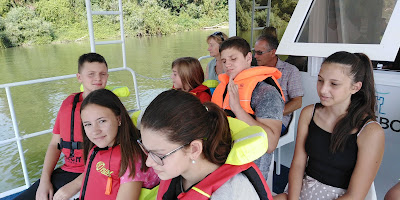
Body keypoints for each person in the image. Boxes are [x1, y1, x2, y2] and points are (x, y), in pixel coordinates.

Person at [274, 51, 385, 200]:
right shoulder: (309, 113)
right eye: (320, 80)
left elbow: (355, 195)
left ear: (355, 87)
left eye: (334, 84)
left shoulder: (370, 131)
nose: (323, 89)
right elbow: (299, 163)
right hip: (304, 190)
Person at [139, 89, 273, 200]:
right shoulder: (178, 173)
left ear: (194, 149)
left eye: (159, 154)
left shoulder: (231, 193)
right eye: (147, 150)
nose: (149, 162)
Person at [14, 52, 109, 200]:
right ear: (79, 77)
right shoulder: (69, 104)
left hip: (100, 171)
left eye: (103, 74)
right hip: (67, 170)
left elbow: (116, 155)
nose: (98, 78)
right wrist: (44, 181)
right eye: (91, 74)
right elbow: (55, 144)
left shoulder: (111, 107)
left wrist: (75, 185)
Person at [212, 36, 285, 180]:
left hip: (248, 169)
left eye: (233, 59)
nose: (228, 65)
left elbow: (270, 143)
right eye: (224, 61)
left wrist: (237, 109)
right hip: (220, 161)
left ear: (248, 57)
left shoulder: (266, 92)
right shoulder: (225, 87)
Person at [79, 89, 159, 200]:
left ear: (119, 119)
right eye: (88, 124)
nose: (95, 131)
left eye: (102, 121)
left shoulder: (132, 157)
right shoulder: (103, 147)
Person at [254, 34, 304, 134]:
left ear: (273, 52)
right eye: (254, 52)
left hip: (277, 120)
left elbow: (297, 102)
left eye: (259, 53)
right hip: (253, 116)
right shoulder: (253, 69)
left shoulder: (290, 71)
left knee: (252, 138)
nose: (255, 56)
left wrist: (273, 114)